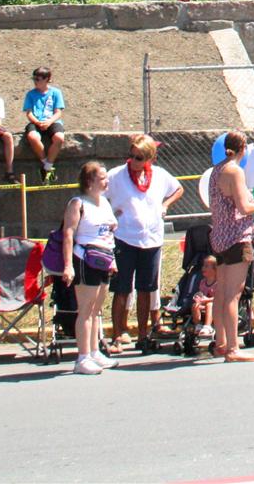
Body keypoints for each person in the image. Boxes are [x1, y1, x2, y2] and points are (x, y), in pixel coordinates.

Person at [105, 134, 184, 354]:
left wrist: (165, 205)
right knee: (122, 289)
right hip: (125, 237)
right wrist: (111, 214)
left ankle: (143, 334)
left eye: (139, 158)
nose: (134, 161)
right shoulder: (116, 175)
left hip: (151, 239)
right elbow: (98, 196)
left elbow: (178, 189)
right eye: (131, 156)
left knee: (145, 289)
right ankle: (118, 333)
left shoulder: (159, 175)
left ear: (150, 158)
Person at [210, 130, 254, 361]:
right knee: (233, 295)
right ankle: (233, 348)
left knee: (222, 293)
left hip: (220, 236)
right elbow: (244, 207)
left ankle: (221, 342)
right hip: (236, 237)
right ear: (243, 148)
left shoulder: (217, 170)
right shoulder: (235, 171)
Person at [59, 161, 118, 376]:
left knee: (96, 309)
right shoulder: (77, 203)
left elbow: (109, 233)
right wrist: (68, 265)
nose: (106, 181)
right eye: (102, 178)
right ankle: (82, 357)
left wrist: (113, 262)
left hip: (104, 258)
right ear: (89, 181)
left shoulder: (104, 202)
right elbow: (68, 234)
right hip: (85, 259)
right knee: (85, 309)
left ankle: (94, 352)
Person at [22, 66, 65, 184]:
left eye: (38, 79)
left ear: (47, 79)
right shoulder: (30, 94)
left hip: (52, 121)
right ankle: (47, 165)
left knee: (59, 138)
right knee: (33, 137)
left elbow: (58, 112)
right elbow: (29, 112)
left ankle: (46, 168)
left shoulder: (56, 93)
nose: (35, 82)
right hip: (36, 121)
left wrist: (49, 122)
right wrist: (37, 122)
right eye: (34, 79)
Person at [189, 255, 218, 336]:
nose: (203, 268)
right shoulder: (202, 282)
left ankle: (207, 326)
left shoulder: (217, 283)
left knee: (209, 305)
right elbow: (202, 294)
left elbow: (218, 297)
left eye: (206, 266)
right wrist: (199, 298)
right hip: (204, 304)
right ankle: (198, 325)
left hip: (216, 305)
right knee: (195, 305)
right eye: (203, 266)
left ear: (215, 270)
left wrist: (207, 300)